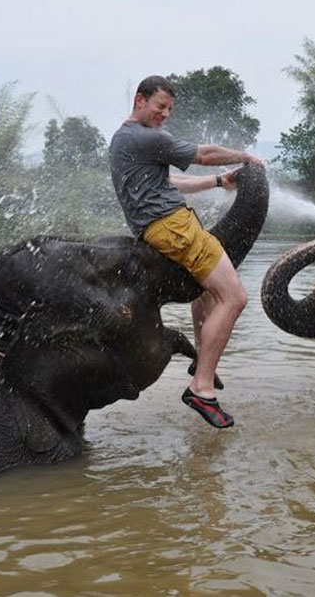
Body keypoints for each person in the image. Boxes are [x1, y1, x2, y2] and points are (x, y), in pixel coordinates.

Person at [109, 75, 264, 428]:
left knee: (207, 292)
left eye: (169, 110)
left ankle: (201, 359)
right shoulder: (145, 136)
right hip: (175, 227)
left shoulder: (123, 140)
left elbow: (172, 182)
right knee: (234, 297)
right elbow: (204, 153)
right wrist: (246, 157)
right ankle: (202, 387)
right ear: (139, 100)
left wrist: (218, 182)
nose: (165, 115)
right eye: (160, 107)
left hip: (158, 228)